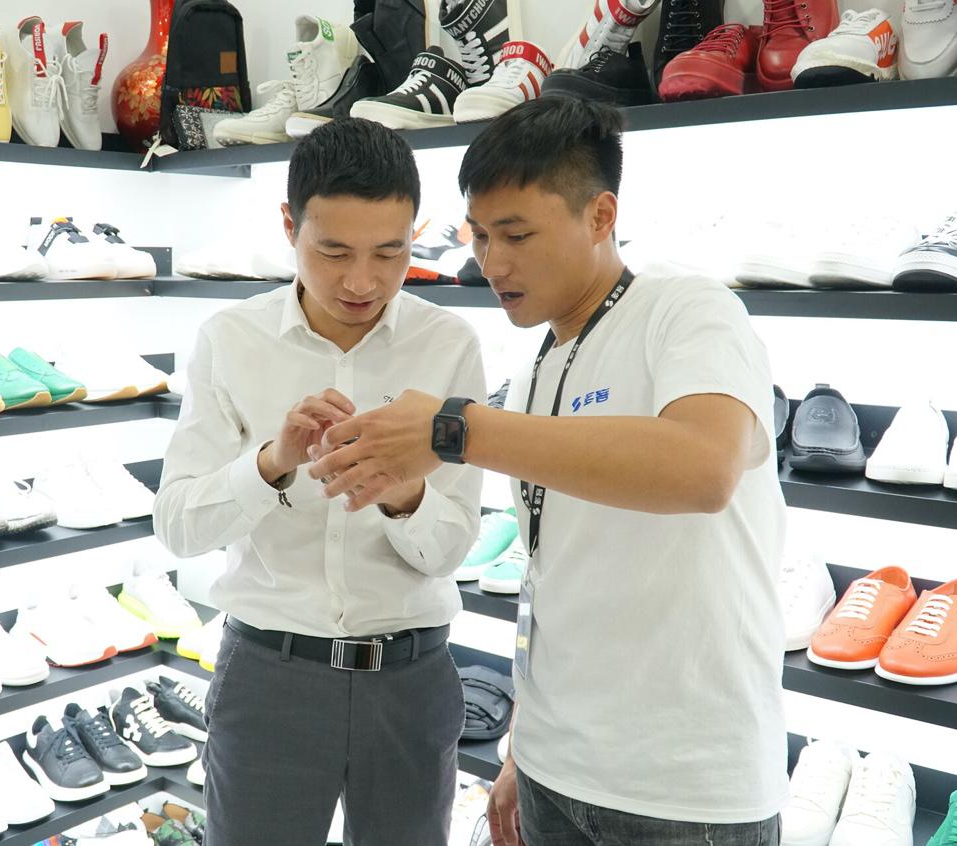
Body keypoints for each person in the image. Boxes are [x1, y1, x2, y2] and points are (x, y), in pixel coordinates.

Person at [308, 97, 787, 844]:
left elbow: (704, 468)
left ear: (600, 216)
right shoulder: (538, 368)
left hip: (683, 790)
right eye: (479, 235)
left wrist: (456, 429)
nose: (491, 263)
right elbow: (552, 574)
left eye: (517, 235)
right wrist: (522, 743)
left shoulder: (688, 309)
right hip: (552, 771)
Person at [152, 117, 486, 846]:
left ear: (415, 232)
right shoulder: (230, 339)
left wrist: (404, 494)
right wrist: (271, 463)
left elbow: (452, 550)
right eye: (333, 251)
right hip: (269, 677)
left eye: (390, 252)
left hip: (410, 678)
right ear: (288, 226)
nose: (363, 281)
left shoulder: (449, 345)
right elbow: (177, 528)